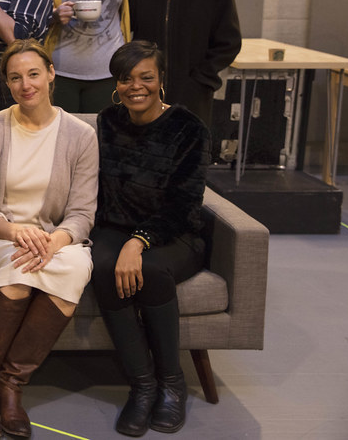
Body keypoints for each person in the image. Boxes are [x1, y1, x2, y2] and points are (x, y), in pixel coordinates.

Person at [0, 39, 97, 439]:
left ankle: (10, 386)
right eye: (16, 77)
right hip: (3, 236)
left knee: (73, 267)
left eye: (34, 74)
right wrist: (15, 231)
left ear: (51, 74)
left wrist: (54, 241)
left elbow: (82, 211)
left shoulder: (81, 134)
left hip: (57, 239)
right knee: (17, 275)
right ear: (6, 83)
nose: (26, 85)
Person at [92, 41, 210, 436]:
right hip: (113, 226)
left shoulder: (188, 128)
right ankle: (142, 388)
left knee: (152, 270)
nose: (135, 87)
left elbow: (184, 204)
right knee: (104, 268)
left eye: (146, 77)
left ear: (161, 81)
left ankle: (171, 385)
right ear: (117, 84)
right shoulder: (107, 121)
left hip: (175, 233)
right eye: (126, 79)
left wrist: (139, 240)